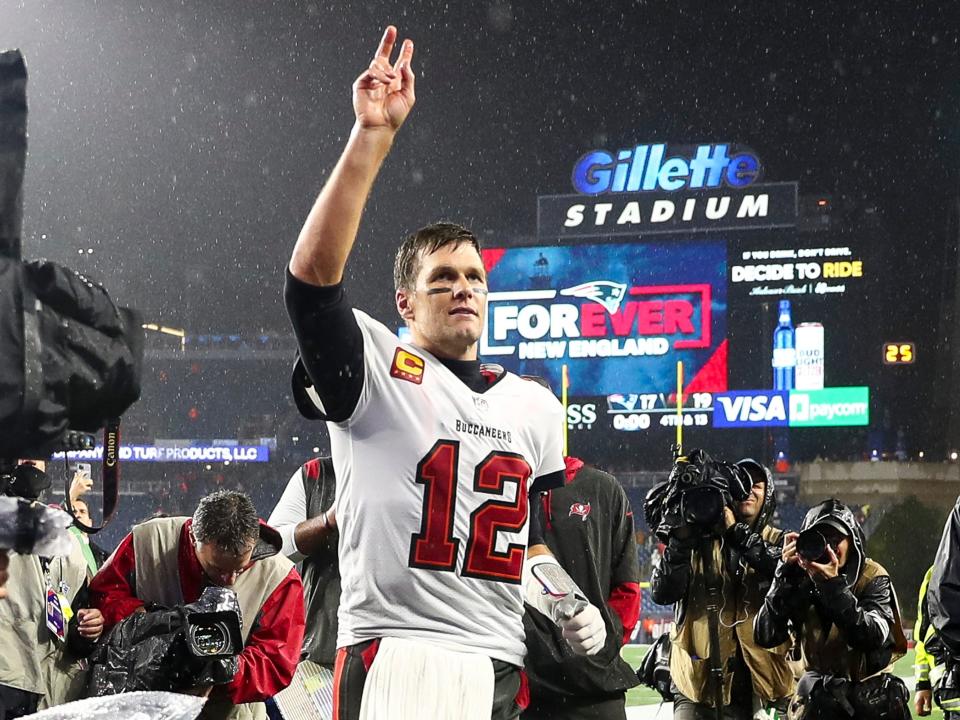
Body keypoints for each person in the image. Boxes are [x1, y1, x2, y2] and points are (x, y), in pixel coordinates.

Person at [285, 25, 606, 720]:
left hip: (492, 657)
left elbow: (520, 535)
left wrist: (561, 591)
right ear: (404, 301)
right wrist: (371, 139)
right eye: (443, 279)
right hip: (392, 651)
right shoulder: (377, 370)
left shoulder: (534, 407)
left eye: (475, 277)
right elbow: (311, 284)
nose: (464, 288)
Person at [88, 490, 305, 720]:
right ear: (193, 537)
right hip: (145, 708)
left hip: (228, 713)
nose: (230, 580)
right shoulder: (147, 541)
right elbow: (104, 596)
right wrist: (156, 626)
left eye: (239, 569)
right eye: (218, 569)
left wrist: (219, 672)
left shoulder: (280, 577)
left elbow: (276, 661)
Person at [651, 458, 793, 719]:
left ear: (769, 494)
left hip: (764, 684)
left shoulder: (782, 541)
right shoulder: (698, 541)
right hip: (698, 685)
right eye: (741, 484)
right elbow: (663, 592)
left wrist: (734, 532)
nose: (748, 490)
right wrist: (680, 542)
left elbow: (783, 569)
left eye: (756, 485)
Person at [754, 498, 909, 720]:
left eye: (837, 539)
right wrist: (782, 577)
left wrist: (833, 586)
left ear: (853, 542)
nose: (829, 547)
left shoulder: (872, 577)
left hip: (870, 701)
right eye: (821, 539)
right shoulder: (796, 577)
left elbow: (872, 637)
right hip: (816, 701)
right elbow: (765, 636)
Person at [521, 454, 641, 720]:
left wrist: (601, 648)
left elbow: (627, 587)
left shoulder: (603, 488)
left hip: (595, 688)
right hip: (527, 687)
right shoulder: (507, 486)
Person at [0, 460, 103, 719]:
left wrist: (89, 629)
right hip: (7, 677)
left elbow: (73, 631)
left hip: (44, 690)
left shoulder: (72, 546)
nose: (28, 464)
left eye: (36, 457)